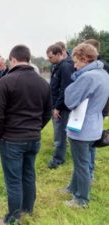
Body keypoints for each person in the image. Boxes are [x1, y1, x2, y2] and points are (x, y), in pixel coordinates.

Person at [0, 45, 52, 224]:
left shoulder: (6, 81)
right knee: (29, 173)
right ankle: (27, 209)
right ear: (29, 59)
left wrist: (0, 134)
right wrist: (36, 129)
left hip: (11, 140)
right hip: (33, 139)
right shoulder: (42, 83)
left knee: (13, 179)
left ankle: (13, 217)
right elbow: (48, 112)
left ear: (13, 60)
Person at [64, 43, 109, 207]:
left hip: (82, 127)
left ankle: (81, 199)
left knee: (81, 164)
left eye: (76, 61)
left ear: (84, 59)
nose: (74, 65)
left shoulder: (88, 77)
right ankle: (72, 187)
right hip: (94, 125)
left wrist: (71, 86)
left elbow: (70, 100)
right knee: (80, 161)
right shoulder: (103, 73)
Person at [82, 39, 109, 180]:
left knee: (91, 143)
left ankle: (89, 172)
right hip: (95, 110)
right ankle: (86, 172)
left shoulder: (102, 67)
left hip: (96, 110)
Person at [46, 44, 74, 169]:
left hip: (61, 107)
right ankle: (61, 154)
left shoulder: (65, 67)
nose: (49, 60)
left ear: (59, 54)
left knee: (60, 133)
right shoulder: (56, 66)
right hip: (56, 105)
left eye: (51, 57)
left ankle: (58, 160)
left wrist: (57, 107)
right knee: (59, 132)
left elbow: (65, 89)